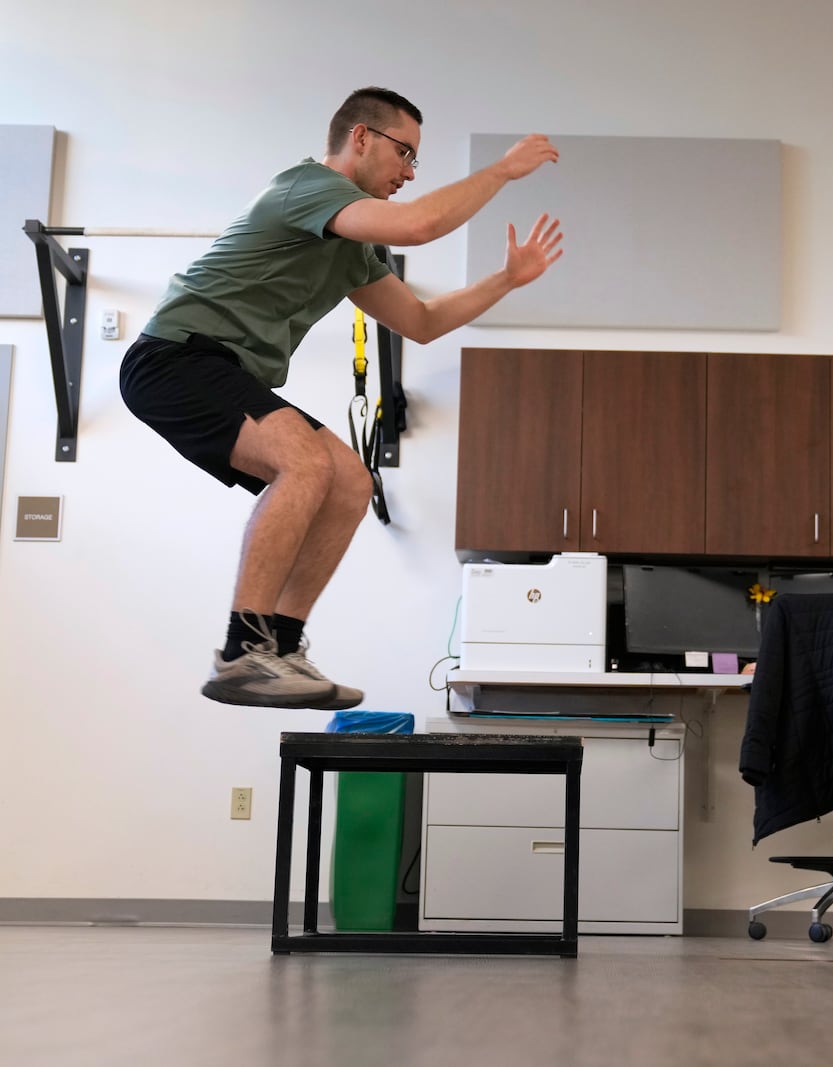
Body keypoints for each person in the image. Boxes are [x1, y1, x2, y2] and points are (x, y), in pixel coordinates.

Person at [120, 87, 563, 710]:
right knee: (303, 462)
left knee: (351, 480)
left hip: (220, 369)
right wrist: (501, 169)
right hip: (174, 357)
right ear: (360, 138)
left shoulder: (354, 246)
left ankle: (280, 647)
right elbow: (421, 225)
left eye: (416, 162)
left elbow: (422, 321)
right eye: (404, 153)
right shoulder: (305, 188)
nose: (409, 172)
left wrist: (506, 280)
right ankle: (241, 652)